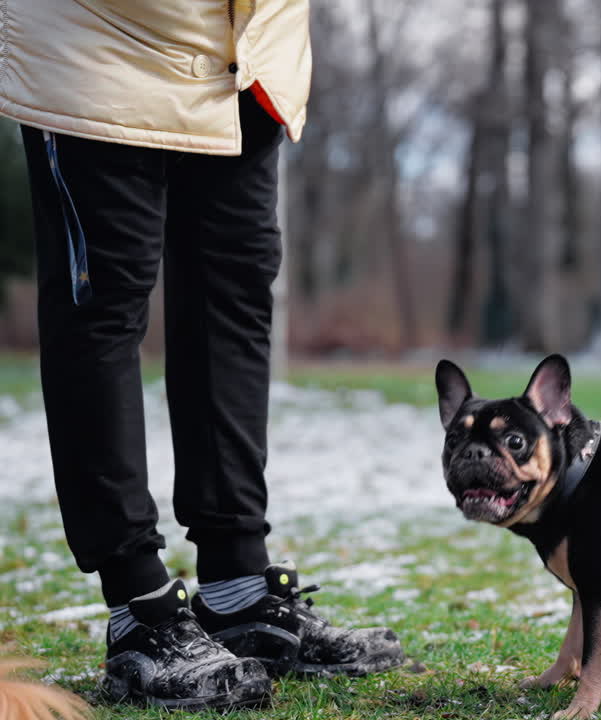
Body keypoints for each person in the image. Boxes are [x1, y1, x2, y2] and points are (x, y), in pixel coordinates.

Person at [0, 1, 404, 709]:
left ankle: (237, 587)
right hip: (105, 37)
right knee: (103, 304)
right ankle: (139, 607)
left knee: (235, 296)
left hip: (246, 51)